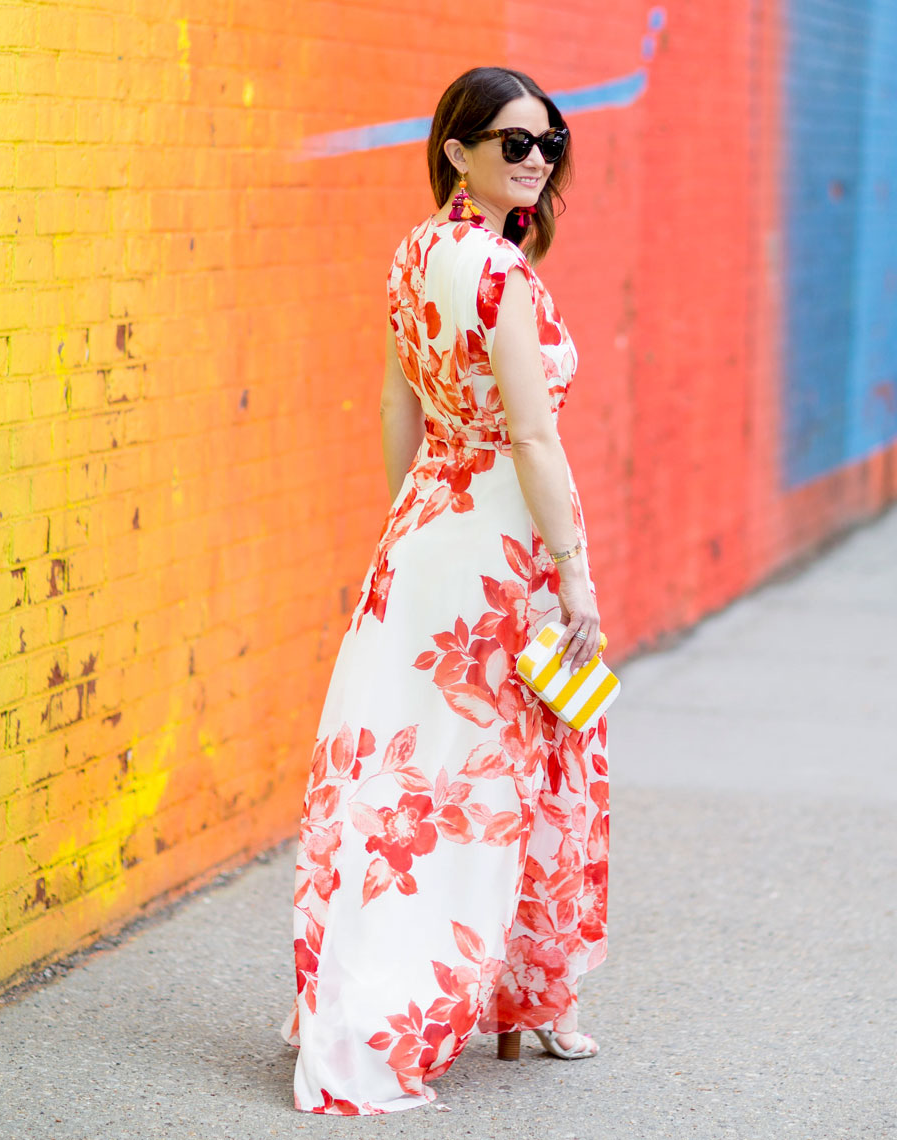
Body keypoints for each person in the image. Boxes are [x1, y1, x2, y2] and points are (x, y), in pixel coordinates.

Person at [280, 66, 610, 1115]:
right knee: (506, 768)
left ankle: (516, 1002)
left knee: (414, 773)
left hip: (428, 538)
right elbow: (534, 434)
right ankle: (502, 1003)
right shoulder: (501, 277)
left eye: (548, 142)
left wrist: (413, 522)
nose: (535, 160)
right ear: (455, 148)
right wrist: (573, 576)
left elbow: (395, 402)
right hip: (504, 545)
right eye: (511, 142)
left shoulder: (418, 253)